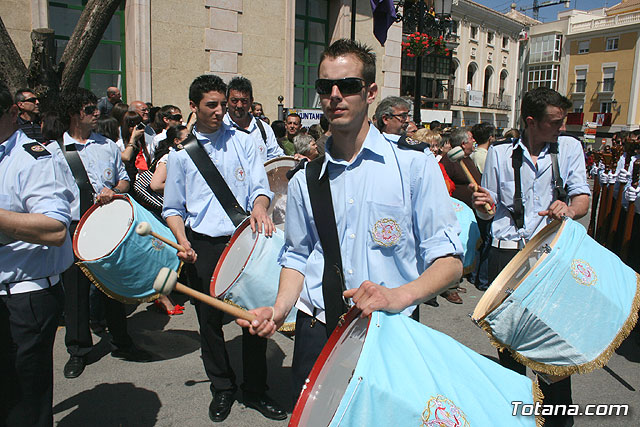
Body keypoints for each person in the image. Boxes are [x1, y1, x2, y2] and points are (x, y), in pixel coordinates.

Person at [237, 38, 463, 403]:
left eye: (349, 85)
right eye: (326, 87)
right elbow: (297, 256)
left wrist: (396, 297)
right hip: (318, 327)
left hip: (391, 328)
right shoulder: (305, 180)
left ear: (371, 91)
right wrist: (278, 311)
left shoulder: (414, 166)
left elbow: (450, 262)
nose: (336, 95)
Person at [163, 74, 286, 422]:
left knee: (253, 316)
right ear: (193, 107)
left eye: (222, 104)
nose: (220, 111)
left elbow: (260, 187)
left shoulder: (244, 142)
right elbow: (173, 208)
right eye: (211, 105)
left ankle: (256, 389)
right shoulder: (181, 156)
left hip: (244, 239)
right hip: (204, 243)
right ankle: (223, 387)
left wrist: (260, 206)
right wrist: (181, 239)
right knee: (210, 322)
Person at [472, 87, 590, 427]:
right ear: (530, 121)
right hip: (507, 256)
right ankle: (516, 418)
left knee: (552, 349)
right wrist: (482, 208)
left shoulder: (569, 148)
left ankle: (557, 422)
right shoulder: (498, 153)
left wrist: (568, 208)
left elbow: (581, 197)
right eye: (554, 122)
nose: (561, 128)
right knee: (509, 350)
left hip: (550, 257)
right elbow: (488, 212)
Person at [60, 87, 151, 381]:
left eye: (95, 107)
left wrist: (114, 191)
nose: (96, 112)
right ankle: (78, 350)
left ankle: (122, 341)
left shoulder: (108, 146)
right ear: (74, 114)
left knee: (113, 287)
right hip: (74, 228)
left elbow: (126, 181)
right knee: (76, 293)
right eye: (89, 109)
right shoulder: (56, 151)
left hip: (105, 224)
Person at [0, 82, 74, 427]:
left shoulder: (33, 158)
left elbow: (55, 229)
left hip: (24, 297)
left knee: (24, 402)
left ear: (13, 113)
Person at [223, 77, 284, 162]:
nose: (239, 105)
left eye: (244, 101)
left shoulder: (264, 129)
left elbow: (277, 159)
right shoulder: (219, 128)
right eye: (234, 101)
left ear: (251, 101)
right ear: (226, 101)